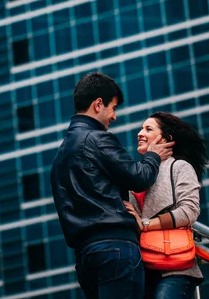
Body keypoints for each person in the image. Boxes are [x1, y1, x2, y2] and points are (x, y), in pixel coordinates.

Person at [51, 72, 175, 298]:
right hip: (115, 248)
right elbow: (138, 177)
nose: (114, 117)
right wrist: (154, 156)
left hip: (85, 257)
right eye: (113, 108)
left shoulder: (60, 156)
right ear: (98, 104)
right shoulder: (96, 138)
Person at [123, 112, 208, 299]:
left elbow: (190, 210)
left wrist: (145, 224)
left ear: (166, 139)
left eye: (148, 129)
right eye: (141, 128)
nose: (140, 133)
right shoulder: (137, 172)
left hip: (175, 266)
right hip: (143, 267)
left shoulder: (179, 167)